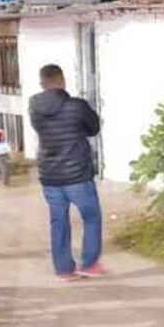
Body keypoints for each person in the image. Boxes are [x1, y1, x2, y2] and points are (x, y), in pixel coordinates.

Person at [29, 64, 105, 281]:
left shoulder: (34, 106)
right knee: (91, 217)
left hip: (50, 175)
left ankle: (63, 269)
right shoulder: (77, 106)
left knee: (58, 221)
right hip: (77, 174)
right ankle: (89, 264)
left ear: (42, 83)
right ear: (62, 80)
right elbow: (94, 128)